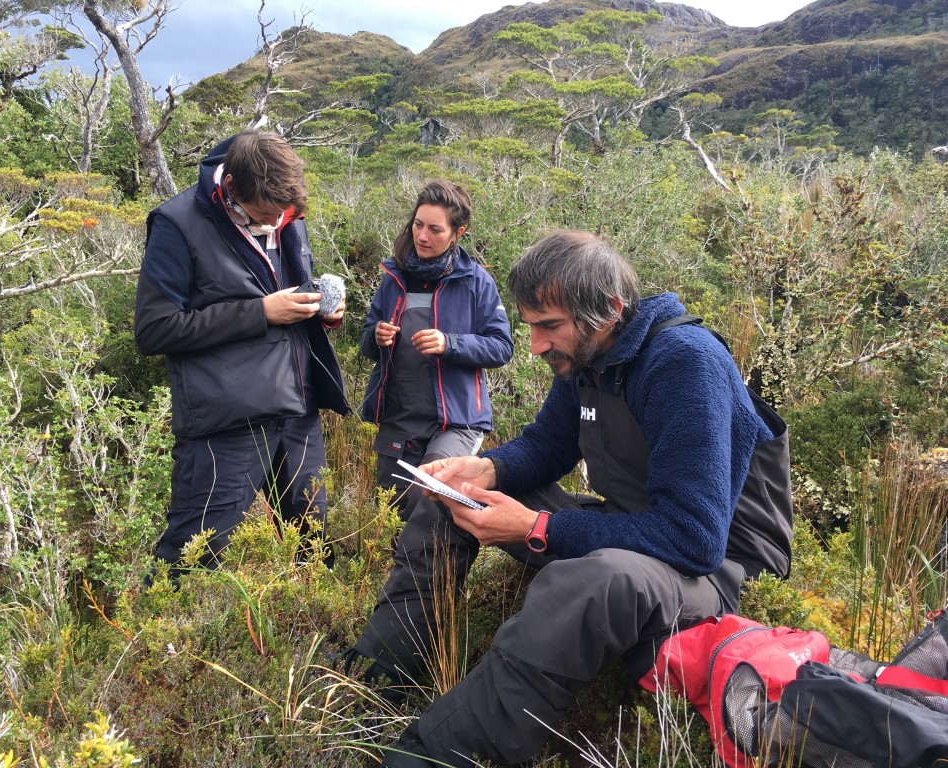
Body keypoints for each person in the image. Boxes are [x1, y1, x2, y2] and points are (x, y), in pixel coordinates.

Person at [348, 230, 794, 767]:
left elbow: (694, 539)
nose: (535, 345)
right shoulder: (586, 357)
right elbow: (550, 444)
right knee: (457, 497)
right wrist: (487, 467)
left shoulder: (684, 363)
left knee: (587, 581)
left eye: (549, 326)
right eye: (531, 325)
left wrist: (537, 528)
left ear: (607, 309)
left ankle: (437, 756)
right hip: (635, 531)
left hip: (713, 568)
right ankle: (376, 675)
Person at [134, 129, 349, 574]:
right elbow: (154, 331)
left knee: (312, 545)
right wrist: (261, 312)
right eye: (264, 215)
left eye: (283, 215)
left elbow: (281, 288)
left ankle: (314, 636)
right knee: (195, 556)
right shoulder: (177, 224)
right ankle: (164, 642)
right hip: (226, 423)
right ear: (230, 186)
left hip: (298, 410)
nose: (274, 224)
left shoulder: (285, 211)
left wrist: (319, 312)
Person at [359, 181, 513, 518]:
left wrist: (450, 343)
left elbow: (502, 347)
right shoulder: (393, 276)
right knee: (394, 514)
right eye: (417, 224)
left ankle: (440, 569)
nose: (422, 236)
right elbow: (366, 343)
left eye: (434, 229)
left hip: (455, 421)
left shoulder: (475, 281)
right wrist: (376, 336)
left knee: (429, 498)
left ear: (458, 232)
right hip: (398, 419)